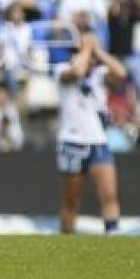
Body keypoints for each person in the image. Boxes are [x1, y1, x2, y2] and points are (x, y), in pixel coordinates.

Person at [55, 18, 127, 234]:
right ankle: (65, 245)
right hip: (72, 142)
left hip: (98, 142)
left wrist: (98, 51)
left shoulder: (99, 74)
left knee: (109, 195)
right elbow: (77, 72)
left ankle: (112, 239)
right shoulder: (61, 70)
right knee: (71, 201)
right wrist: (87, 48)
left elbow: (121, 73)